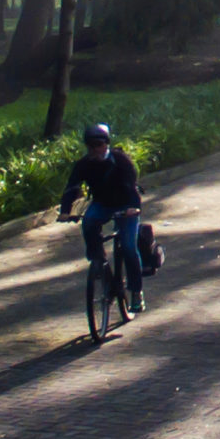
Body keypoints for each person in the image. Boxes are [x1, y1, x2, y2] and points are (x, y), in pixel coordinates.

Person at [58, 123, 147, 311]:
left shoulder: (120, 160)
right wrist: (65, 211)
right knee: (89, 222)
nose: (95, 149)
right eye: (91, 146)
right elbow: (72, 187)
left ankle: (136, 292)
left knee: (129, 246)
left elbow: (131, 186)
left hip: (125, 205)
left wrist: (133, 207)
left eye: (98, 145)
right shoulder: (83, 164)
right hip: (102, 204)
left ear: (106, 144)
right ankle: (98, 262)